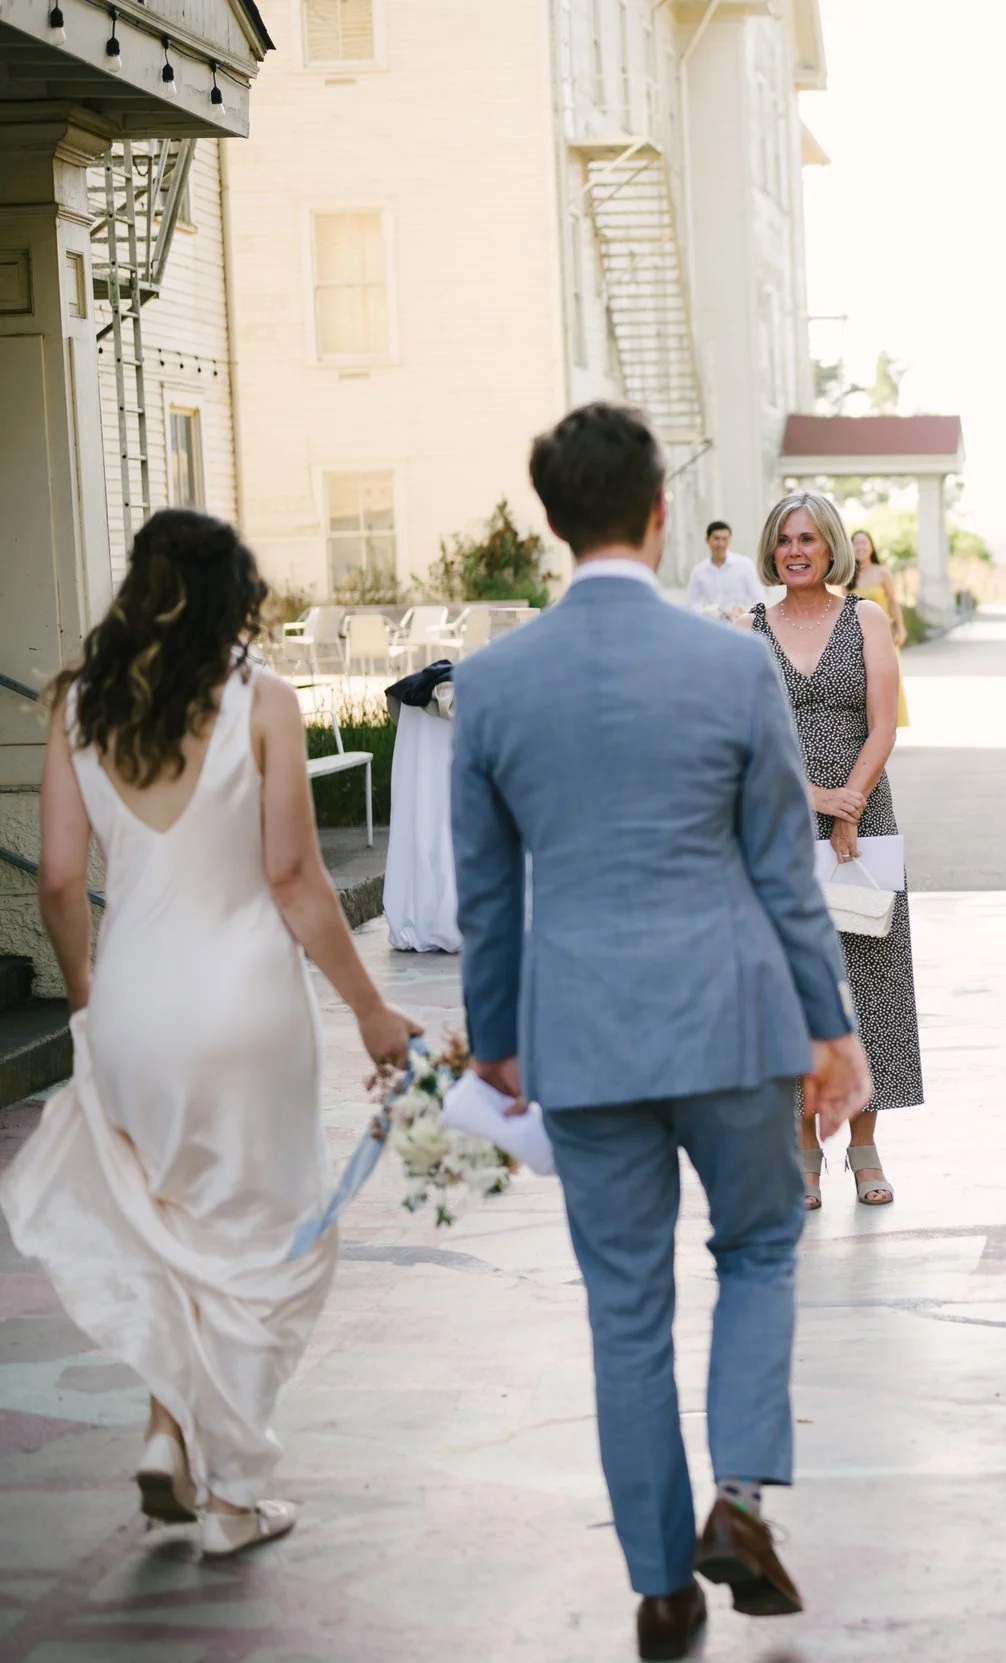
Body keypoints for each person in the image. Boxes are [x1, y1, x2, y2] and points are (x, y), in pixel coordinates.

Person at [453, 404, 873, 1660]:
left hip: (582, 1035)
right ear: (654, 516)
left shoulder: (493, 679)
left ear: (551, 522)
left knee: (624, 1307)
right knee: (755, 1251)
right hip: (734, 1020)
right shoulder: (729, 661)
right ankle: (737, 1498)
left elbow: (486, 895)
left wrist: (495, 1042)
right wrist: (831, 1028)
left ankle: (658, 1585)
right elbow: (783, 871)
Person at [0, 509, 421, 1556]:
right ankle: (231, 1497)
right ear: (236, 593)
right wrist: (371, 1008)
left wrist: (86, 989)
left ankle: (163, 1433)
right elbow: (291, 877)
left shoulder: (77, 704)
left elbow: (58, 878)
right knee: (261, 1236)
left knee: (170, 1223)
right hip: (246, 1009)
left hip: (134, 998)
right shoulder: (261, 701)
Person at [751, 495, 925, 1208]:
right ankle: (801, 1149)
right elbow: (746, 738)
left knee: (870, 982)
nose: (798, 550)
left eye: (811, 539)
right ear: (773, 548)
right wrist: (817, 799)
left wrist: (850, 799)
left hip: (864, 819)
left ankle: (864, 1145)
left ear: (830, 549)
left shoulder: (867, 617)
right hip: (778, 824)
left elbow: (883, 723)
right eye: (786, 539)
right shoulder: (749, 629)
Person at [848, 528, 911, 727]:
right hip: (857, 637)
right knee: (863, 682)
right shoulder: (848, 575)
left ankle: (888, 725)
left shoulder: (882, 572)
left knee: (888, 680)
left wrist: (900, 627)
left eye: (863, 542)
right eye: (856, 543)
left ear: (871, 546)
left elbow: (893, 601)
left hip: (884, 635)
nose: (860, 547)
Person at [684, 518, 768, 617]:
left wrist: (744, 612)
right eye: (716, 539)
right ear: (707, 539)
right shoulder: (699, 571)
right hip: (712, 626)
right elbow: (692, 603)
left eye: (725, 539)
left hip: (742, 625)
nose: (720, 544)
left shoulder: (745, 565)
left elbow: (760, 600)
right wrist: (706, 613)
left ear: (730, 540)